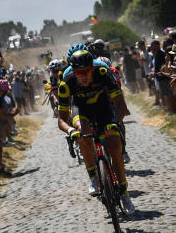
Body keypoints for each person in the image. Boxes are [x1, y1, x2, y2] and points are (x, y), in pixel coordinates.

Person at [56, 47, 134, 214]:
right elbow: (61, 118)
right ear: (73, 72)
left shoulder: (103, 73)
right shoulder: (67, 81)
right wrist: (70, 131)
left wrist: (114, 122)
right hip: (81, 109)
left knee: (114, 148)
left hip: (103, 106)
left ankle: (124, 193)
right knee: (82, 133)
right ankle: (93, 177)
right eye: (79, 73)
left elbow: (121, 105)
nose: (83, 76)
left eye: (86, 71)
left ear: (92, 68)